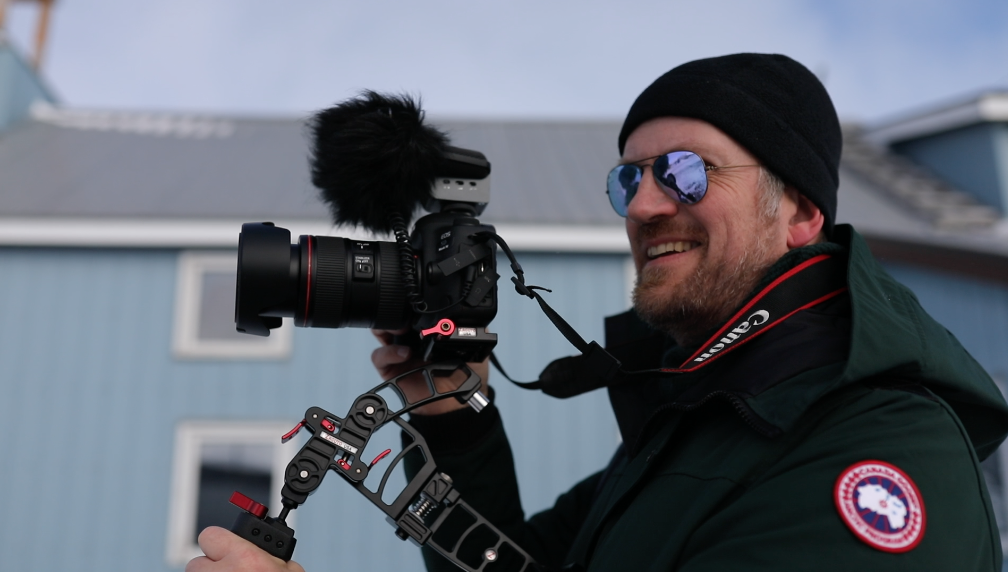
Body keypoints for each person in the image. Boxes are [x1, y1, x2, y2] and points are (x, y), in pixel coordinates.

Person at [189, 53, 1008, 571]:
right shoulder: (688, 433)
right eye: (630, 178)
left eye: (687, 172)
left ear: (796, 211)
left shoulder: (878, 451)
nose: (646, 206)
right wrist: (450, 407)